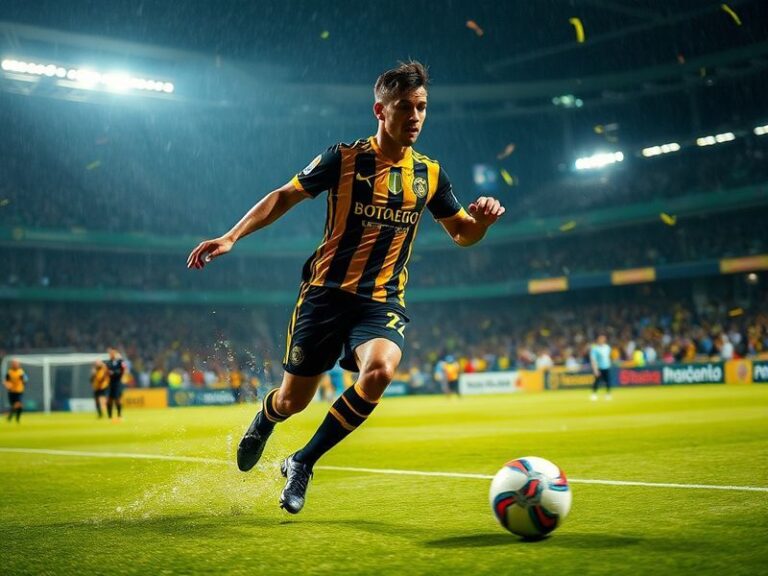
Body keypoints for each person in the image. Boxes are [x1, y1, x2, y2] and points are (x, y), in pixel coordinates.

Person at [187, 61, 505, 514]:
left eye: (422, 108)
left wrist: (484, 224)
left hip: (381, 300)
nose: (415, 117)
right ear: (380, 109)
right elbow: (284, 195)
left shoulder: (430, 174)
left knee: (380, 371)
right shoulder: (344, 159)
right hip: (325, 296)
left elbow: (462, 233)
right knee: (293, 400)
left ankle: (302, 461)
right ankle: (267, 416)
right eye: (405, 107)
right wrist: (231, 236)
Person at [105, 348, 125, 421]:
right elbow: (106, 372)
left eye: (112, 353)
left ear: (115, 353)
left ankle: (119, 415)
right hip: (110, 383)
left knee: (117, 399)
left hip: (117, 383)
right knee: (109, 400)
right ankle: (109, 416)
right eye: (110, 353)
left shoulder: (120, 362)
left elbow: (122, 370)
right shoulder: (108, 363)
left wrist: (114, 372)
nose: (111, 354)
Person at [590, 334, 612, 401]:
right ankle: (594, 394)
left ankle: (608, 394)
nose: (602, 340)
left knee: (608, 381)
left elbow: (608, 357)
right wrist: (595, 369)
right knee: (597, 381)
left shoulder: (607, 347)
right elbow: (593, 359)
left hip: (607, 366)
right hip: (599, 367)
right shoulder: (595, 349)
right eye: (600, 339)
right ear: (598, 340)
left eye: (603, 339)